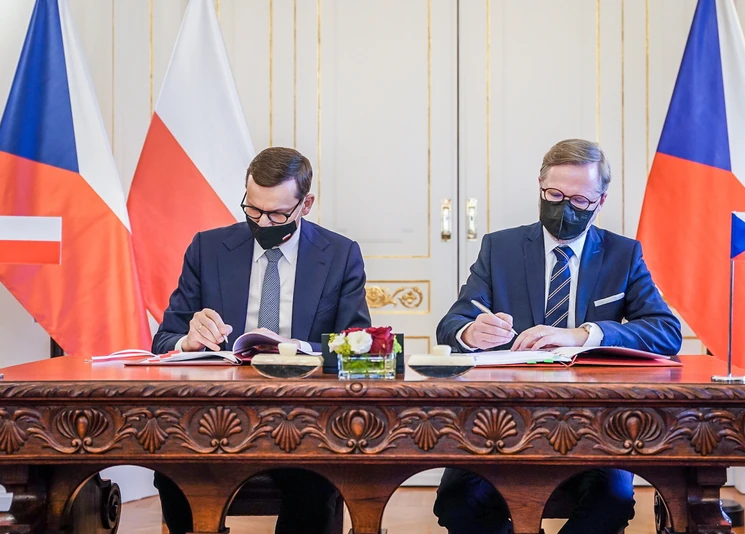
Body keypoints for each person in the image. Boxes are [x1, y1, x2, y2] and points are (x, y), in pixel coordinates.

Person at [433, 138, 682, 534]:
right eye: (554, 195)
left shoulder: (622, 255)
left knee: (612, 500)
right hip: (501, 418)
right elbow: (451, 325)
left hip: (597, 423)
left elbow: (665, 331)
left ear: (600, 202)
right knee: (456, 501)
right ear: (540, 186)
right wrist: (471, 331)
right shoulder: (500, 248)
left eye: (580, 200)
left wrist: (582, 335)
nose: (564, 207)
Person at [152, 147, 371, 534]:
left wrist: (299, 349)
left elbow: (356, 345)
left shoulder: (340, 254)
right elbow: (163, 341)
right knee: (173, 473)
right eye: (253, 210)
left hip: (304, 417)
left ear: (306, 205)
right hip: (217, 414)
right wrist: (189, 341)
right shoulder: (208, 248)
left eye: (277, 214)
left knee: (315, 484)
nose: (263, 222)